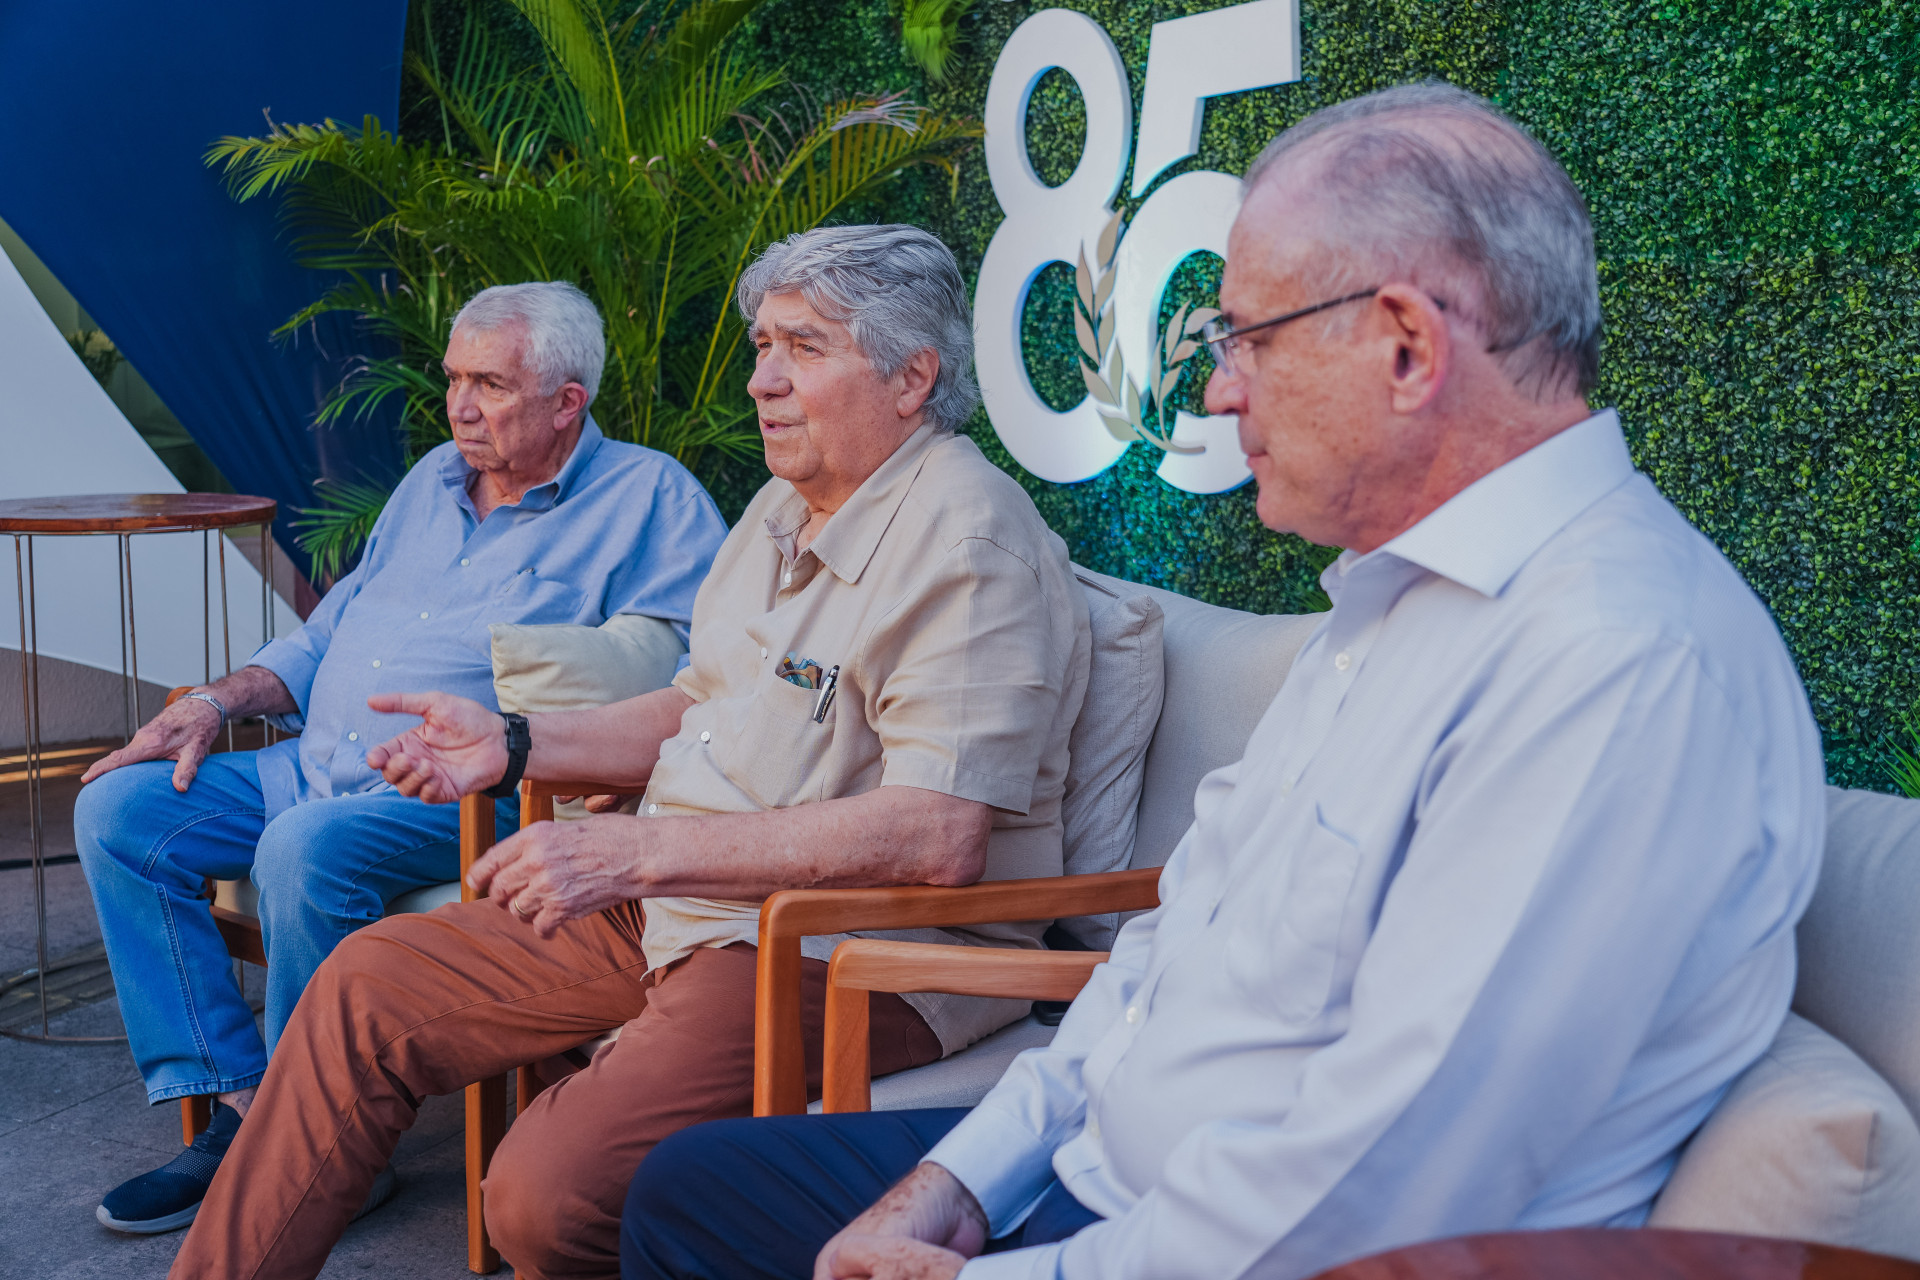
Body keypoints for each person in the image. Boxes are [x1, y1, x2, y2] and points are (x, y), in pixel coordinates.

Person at [618, 82, 1828, 1280]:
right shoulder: (1387, 605)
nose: (1216, 389)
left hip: (1218, 1243)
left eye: (1245, 337)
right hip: (1099, 1173)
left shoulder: (1612, 661)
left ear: (1407, 344)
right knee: (692, 1190)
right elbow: (1159, 956)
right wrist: (957, 1186)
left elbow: (1381, 1183)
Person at [167, 224, 1091, 1280]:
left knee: (542, 1196)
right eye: (760, 345)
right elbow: (697, 699)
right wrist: (516, 743)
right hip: (681, 892)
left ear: (912, 377)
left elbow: (938, 834)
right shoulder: (785, 508)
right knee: (365, 985)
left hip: (827, 948)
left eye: (804, 348)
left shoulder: (967, 542)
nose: (762, 381)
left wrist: (634, 854)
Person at [75, 280, 727, 1236]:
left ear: (567, 401)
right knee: (119, 813)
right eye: (455, 378)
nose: (460, 405)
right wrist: (217, 701)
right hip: (308, 765)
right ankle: (246, 1105)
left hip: (468, 797)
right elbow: (327, 632)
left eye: (491, 384)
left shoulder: (650, 499)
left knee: (304, 847)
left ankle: (318, 1145)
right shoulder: (430, 479)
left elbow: (695, 673)